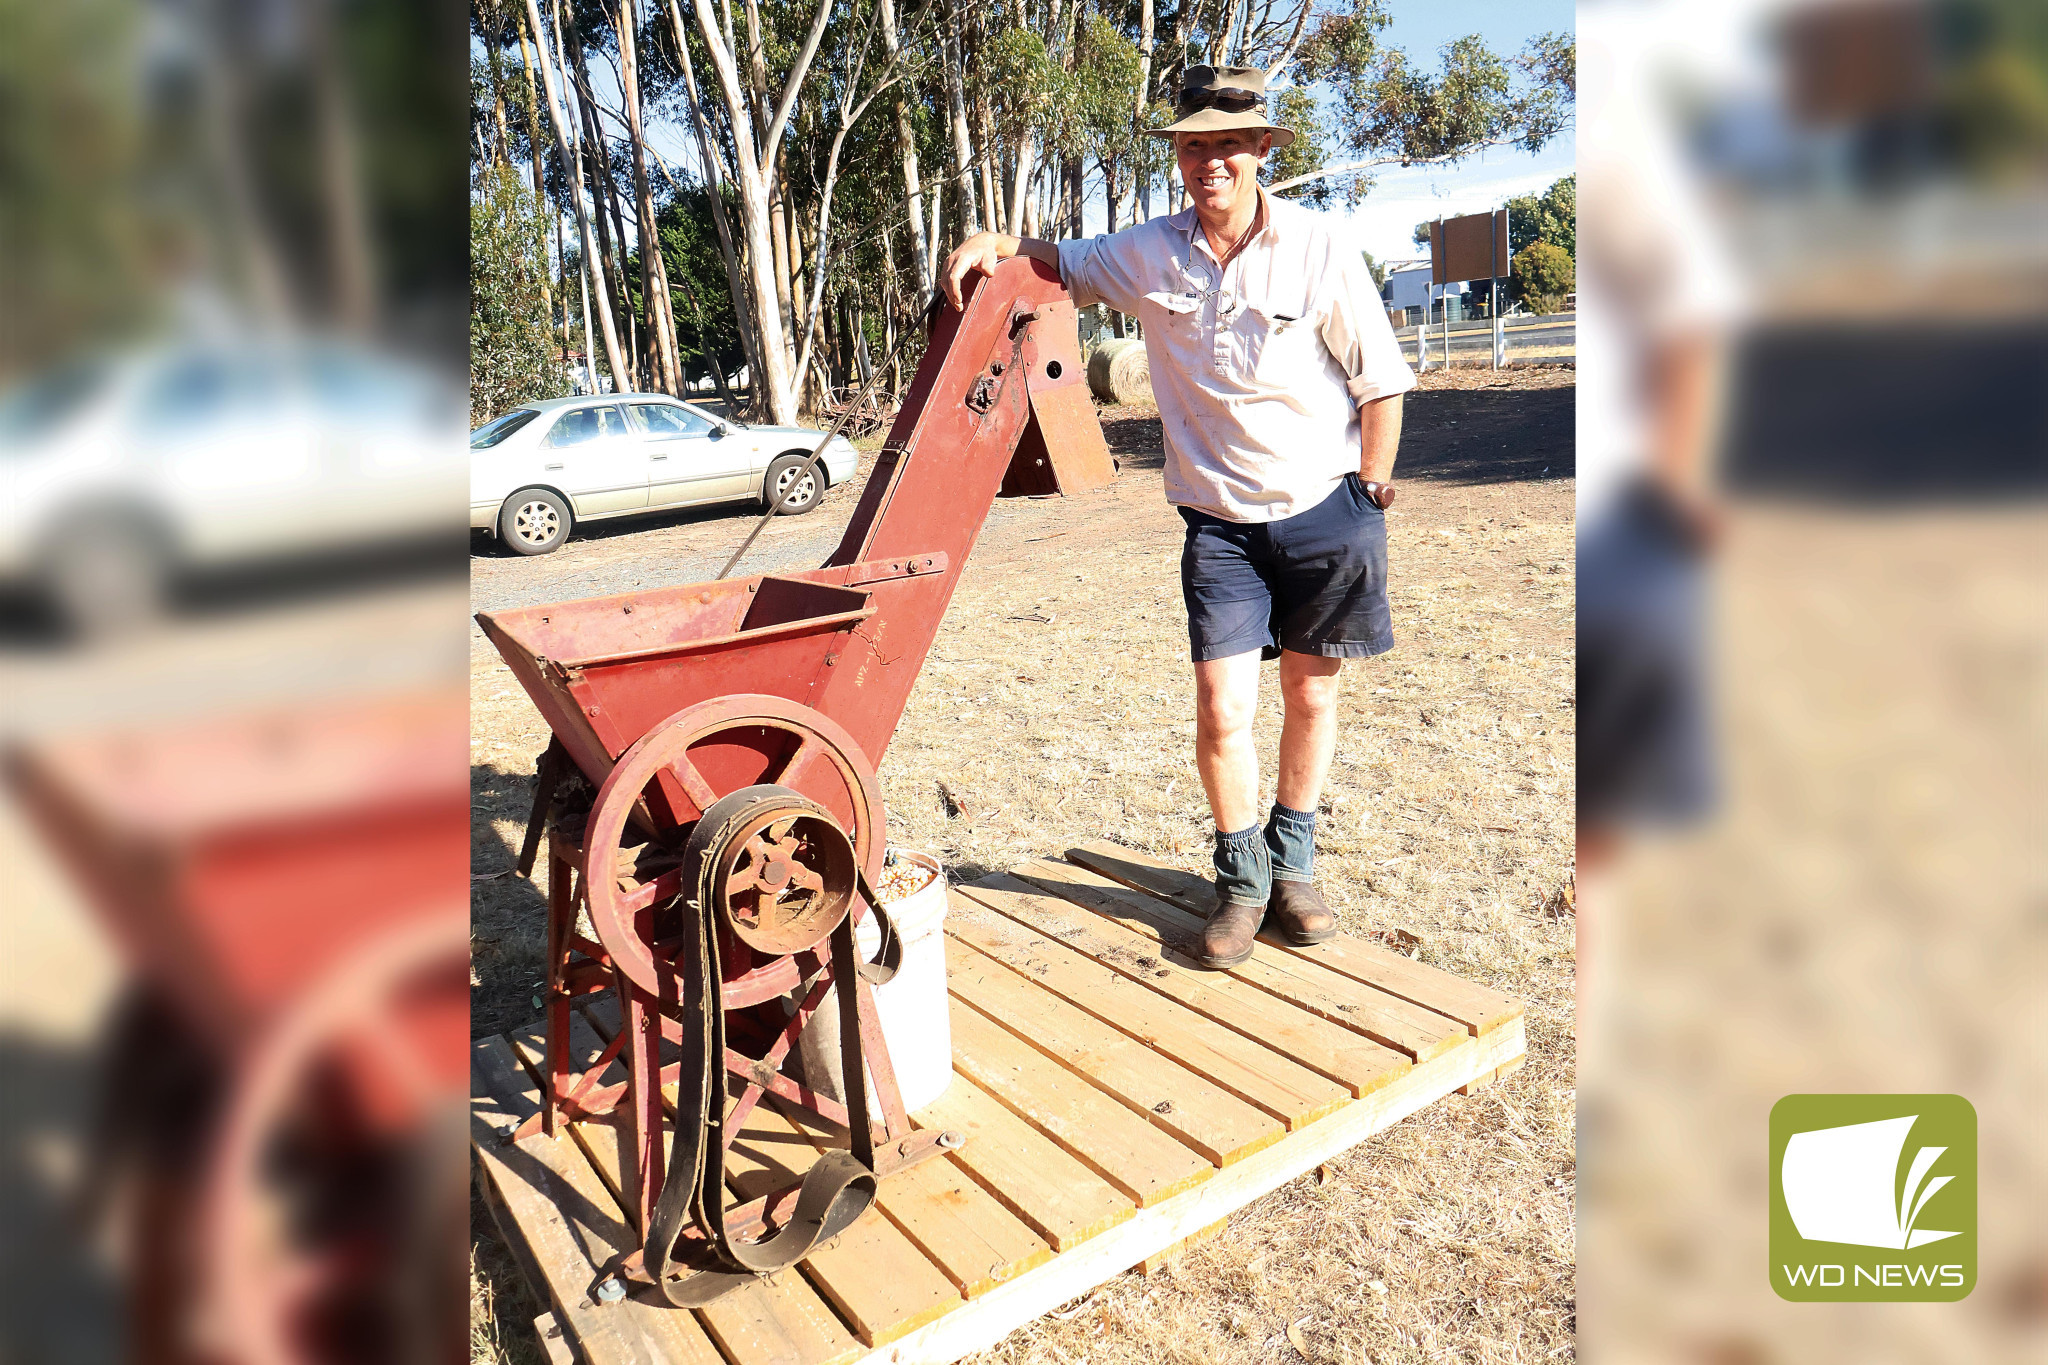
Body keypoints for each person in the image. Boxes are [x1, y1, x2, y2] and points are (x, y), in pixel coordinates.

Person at [942, 65, 1415, 969]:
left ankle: (1295, 870)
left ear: (1261, 150)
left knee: (1312, 695)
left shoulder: (1319, 248)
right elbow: (1056, 259)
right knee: (1219, 708)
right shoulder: (1149, 252)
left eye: (1228, 144)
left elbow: (1380, 382)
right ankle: (1241, 883)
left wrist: (1370, 489)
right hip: (1220, 527)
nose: (1210, 162)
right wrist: (993, 240)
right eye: (1194, 146)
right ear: (1180, 158)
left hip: (1326, 510)